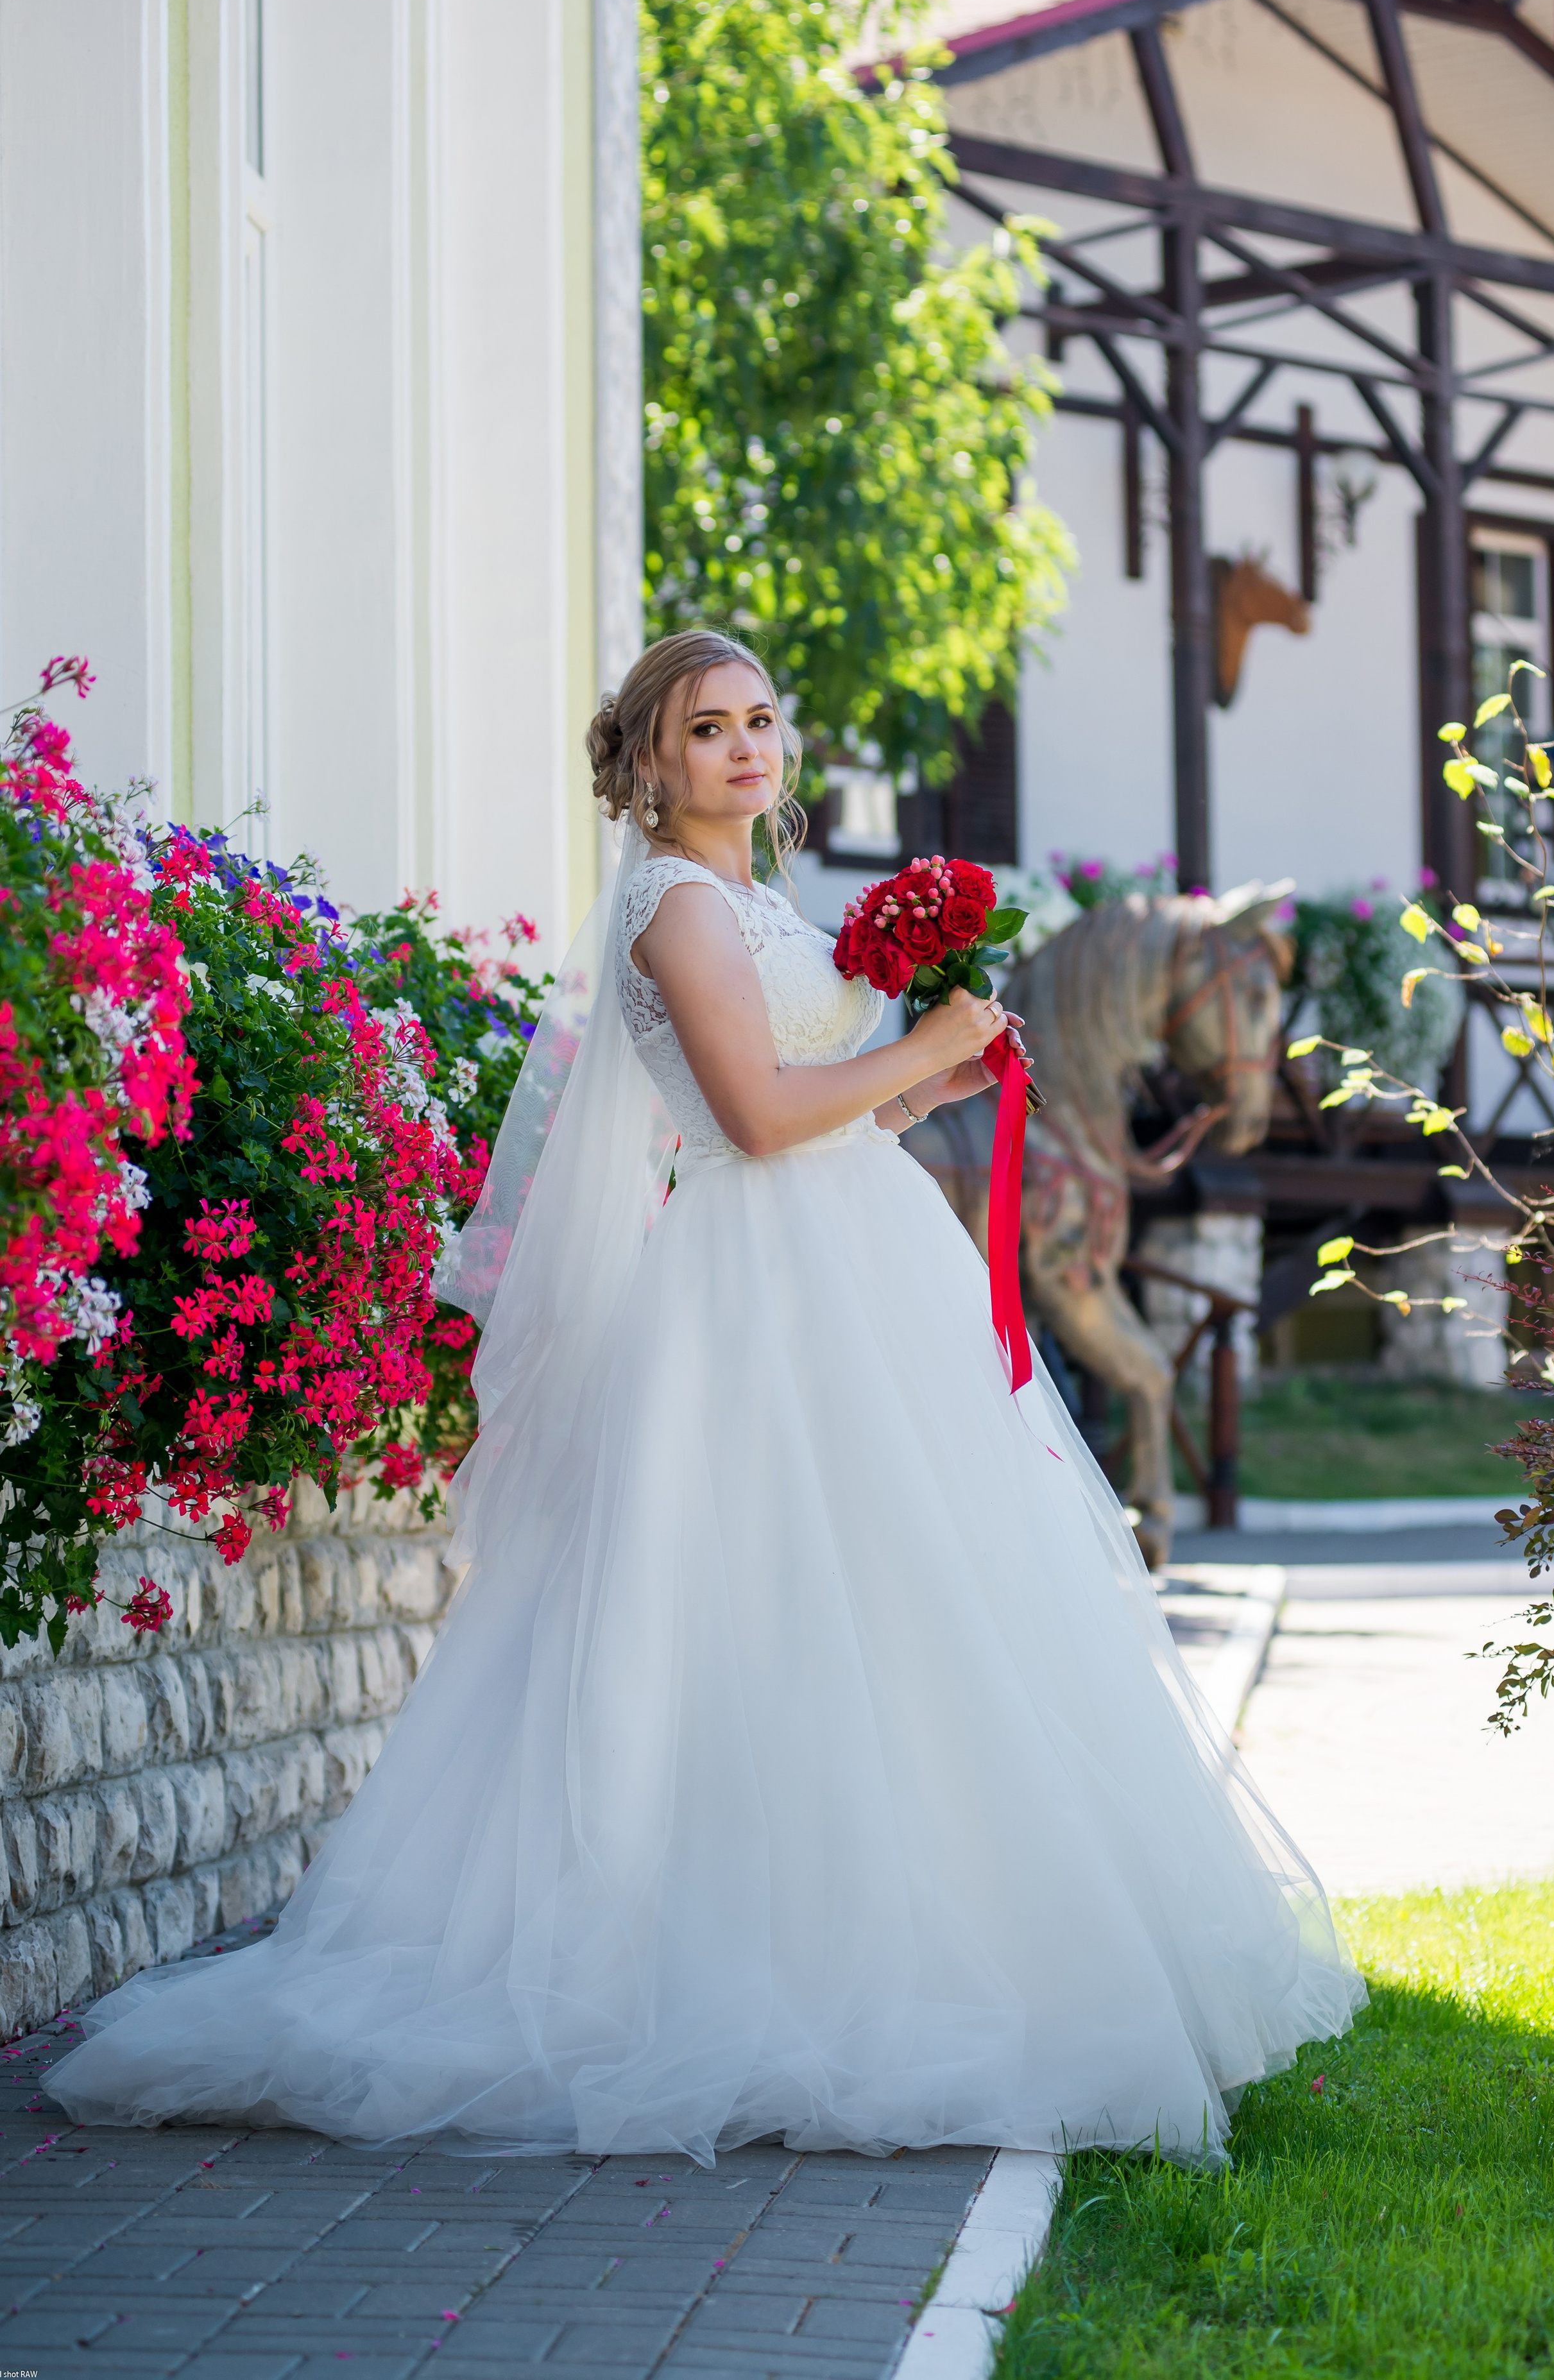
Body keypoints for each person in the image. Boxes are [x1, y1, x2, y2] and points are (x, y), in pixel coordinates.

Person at [44, 629, 1362, 2164]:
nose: (745, 748)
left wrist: (931, 1079)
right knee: (766, 1600)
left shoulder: (759, 901)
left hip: (859, 1265)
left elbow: (826, 1106)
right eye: (705, 728)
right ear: (650, 764)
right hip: (756, 1290)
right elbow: (751, 1115)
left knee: (895, 1598)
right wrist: (924, 1039)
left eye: (759, 720)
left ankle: (909, 1934)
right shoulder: (672, 904)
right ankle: (744, 1965)